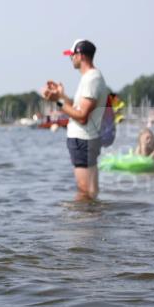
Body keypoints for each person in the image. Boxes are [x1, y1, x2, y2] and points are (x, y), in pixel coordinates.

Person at [42, 39, 109, 201]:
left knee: (84, 192)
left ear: (80, 55)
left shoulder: (92, 79)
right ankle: (91, 224)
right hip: (85, 140)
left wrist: (56, 102)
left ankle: (82, 225)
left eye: (72, 55)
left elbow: (82, 116)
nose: (71, 59)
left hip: (83, 140)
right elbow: (77, 108)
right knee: (90, 192)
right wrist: (61, 96)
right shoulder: (89, 78)